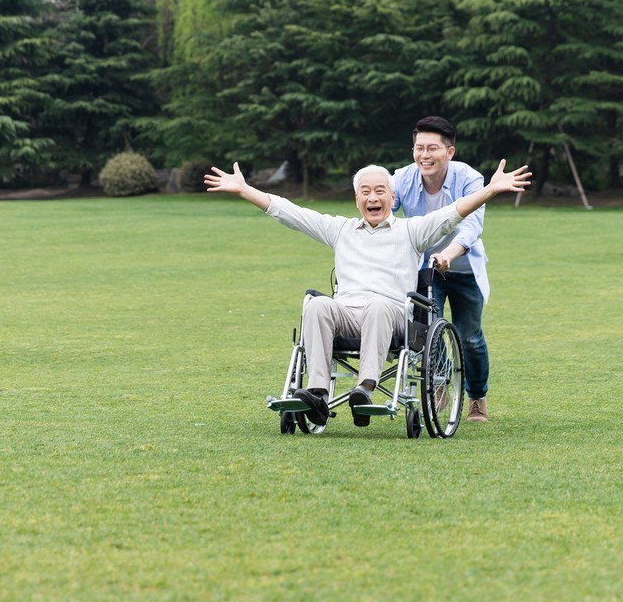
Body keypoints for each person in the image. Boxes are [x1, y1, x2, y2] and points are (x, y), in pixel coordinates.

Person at [204, 158, 530, 428]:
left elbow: (453, 213)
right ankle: (317, 393)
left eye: (379, 191)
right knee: (317, 305)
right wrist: (245, 190)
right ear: (356, 200)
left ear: (391, 196)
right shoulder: (341, 229)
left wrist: (489, 190)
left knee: (376, 305)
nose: (372, 197)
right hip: (347, 314)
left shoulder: (411, 230)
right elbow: (291, 213)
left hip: (395, 317)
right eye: (365, 192)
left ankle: (366, 388)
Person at [392, 116, 494, 423]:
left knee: (469, 336)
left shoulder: (470, 179)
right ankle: (439, 387)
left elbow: (472, 227)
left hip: (462, 267)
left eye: (432, 148)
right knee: (430, 332)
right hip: (425, 269)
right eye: (419, 148)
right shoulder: (402, 178)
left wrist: (447, 254)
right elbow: (385, 210)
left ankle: (477, 396)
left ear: (449, 152)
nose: (424, 155)